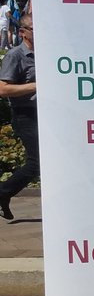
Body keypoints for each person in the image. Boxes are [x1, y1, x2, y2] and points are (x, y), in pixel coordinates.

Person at [0, 15, 38, 221]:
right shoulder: (15, 56)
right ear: (22, 32)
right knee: (37, 163)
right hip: (25, 115)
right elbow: (3, 89)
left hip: (46, 116)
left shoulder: (48, 54)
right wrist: (36, 86)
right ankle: (3, 192)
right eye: (33, 28)